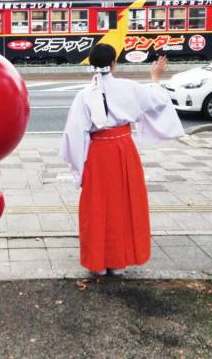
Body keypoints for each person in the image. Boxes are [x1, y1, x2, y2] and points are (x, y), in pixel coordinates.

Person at [60, 45, 185, 275]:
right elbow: (157, 99)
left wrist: (78, 169)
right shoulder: (128, 87)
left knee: (97, 206)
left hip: (97, 153)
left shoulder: (84, 96)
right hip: (124, 150)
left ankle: (97, 260)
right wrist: (155, 77)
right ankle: (118, 261)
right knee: (124, 203)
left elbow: (73, 135)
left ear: (91, 64)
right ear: (114, 63)